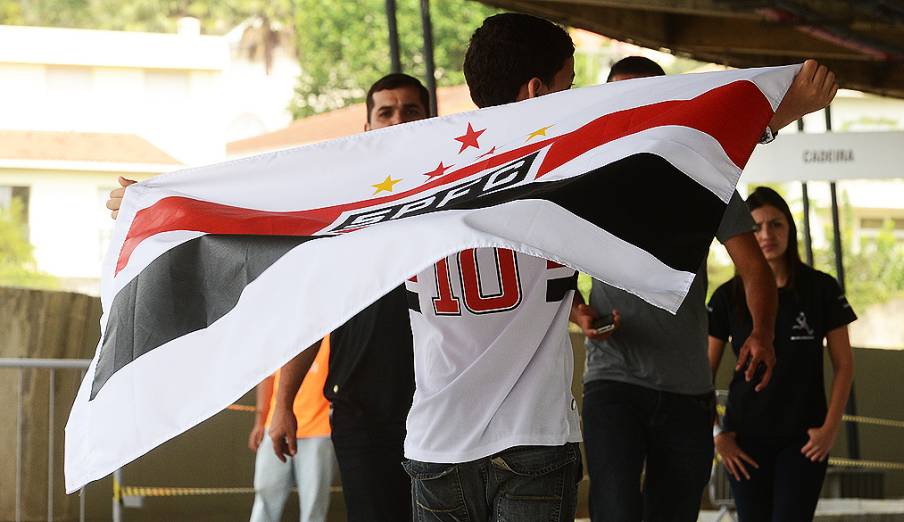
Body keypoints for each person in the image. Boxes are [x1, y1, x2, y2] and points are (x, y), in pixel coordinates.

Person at [272, 14, 838, 522]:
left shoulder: (413, 181)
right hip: (535, 440)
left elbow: (314, 281)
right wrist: (773, 113)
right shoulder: (568, 174)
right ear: (539, 91)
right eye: (569, 88)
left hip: (437, 443)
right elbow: (669, 168)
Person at [106, 73, 430, 522]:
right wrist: (156, 205)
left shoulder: (465, 197)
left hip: (441, 405)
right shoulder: (341, 204)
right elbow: (311, 309)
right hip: (362, 412)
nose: (398, 121)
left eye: (410, 111)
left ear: (431, 119)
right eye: (386, 112)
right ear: (368, 127)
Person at [570, 55, 779, 522]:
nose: (635, 107)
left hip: (688, 388)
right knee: (616, 508)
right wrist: (579, 311)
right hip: (613, 380)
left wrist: (762, 333)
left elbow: (755, 268)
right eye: (623, 97)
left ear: (669, 103)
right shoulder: (588, 173)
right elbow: (551, 264)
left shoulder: (704, 175)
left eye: (646, 96)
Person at [708, 187, 855, 522]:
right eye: (756, 227)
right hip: (744, 440)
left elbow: (844, 366)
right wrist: (718, 436)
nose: (766, 234)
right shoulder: (726, 296)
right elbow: (704, 372)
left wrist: (831, 429)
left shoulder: (821, 289)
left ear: (790, 229)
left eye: (776, 224)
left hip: (804, 438)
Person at [248, 337, 336, 522]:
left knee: (314, 508)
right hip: (275, 427)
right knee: (265, 497)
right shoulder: (286, 325)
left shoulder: (334, 322)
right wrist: (260, 421)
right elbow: (268, 375)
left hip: (320, 430)